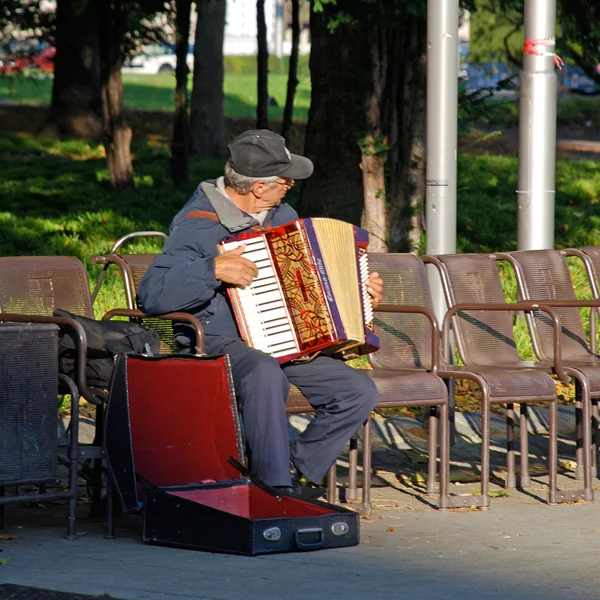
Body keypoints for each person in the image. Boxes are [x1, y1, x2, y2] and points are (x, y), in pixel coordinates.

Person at [138, 129, 383, 491]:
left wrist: (360, 295)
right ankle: (274, 489)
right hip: (218, 340)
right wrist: (212, 270)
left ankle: (298, 470)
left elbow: (310, 285)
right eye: (285, 180)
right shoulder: (197, 224)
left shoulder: (282, 214)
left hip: (286, 342)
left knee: (357, 390)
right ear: (258, 187)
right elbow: (152, 294)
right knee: (265, 373)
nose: (291, 184)